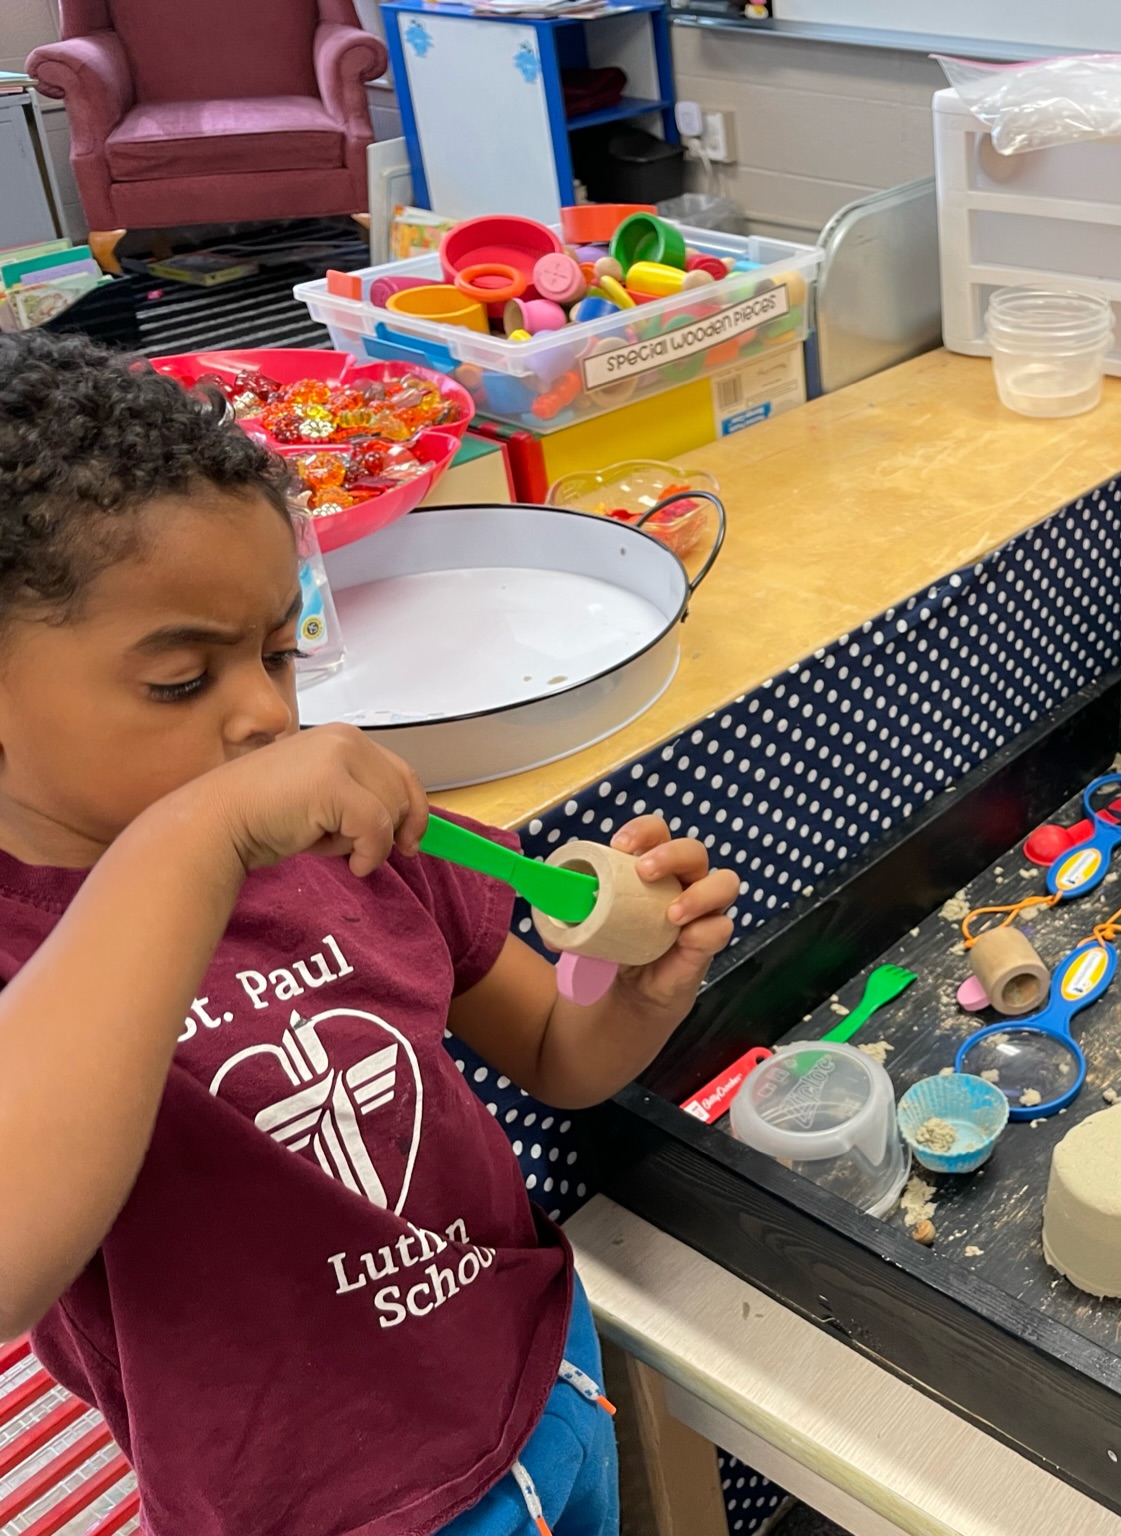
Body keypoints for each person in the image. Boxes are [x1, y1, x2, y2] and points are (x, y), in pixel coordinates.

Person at [0, 330, 740, 1535]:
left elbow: (558, 1053)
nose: (263, 714)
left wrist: (635, 997)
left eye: (280, 653)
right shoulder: (32, 956)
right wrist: (199, 842)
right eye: (183, 680)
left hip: (538, 1374)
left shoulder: (346, 849)